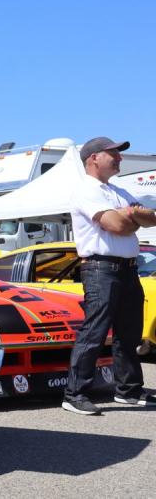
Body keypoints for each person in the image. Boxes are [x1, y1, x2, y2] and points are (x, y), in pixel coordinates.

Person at [63, 137, 156, 415]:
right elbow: (115, 225)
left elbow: (152, 217)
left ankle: (128, 391)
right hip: (100, 268)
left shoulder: (117, 190)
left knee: (128, 333)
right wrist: (131, 215)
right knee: (94, 332)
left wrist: (131, 213)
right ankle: (74, 394)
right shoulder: (86, 190)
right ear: (93, 158)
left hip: (127, 269)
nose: (119, 158)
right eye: (113, 153)